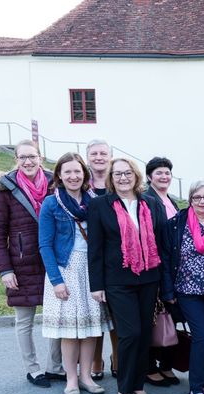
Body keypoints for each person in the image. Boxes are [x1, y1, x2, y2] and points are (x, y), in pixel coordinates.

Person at [0, 139, 63, 388]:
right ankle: (33, 369)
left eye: (32, 156)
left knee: (56, 317)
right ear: (16, 160)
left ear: (41, 158)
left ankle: (56, 366)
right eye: (22, 157)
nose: (28, 162)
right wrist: (4, 269)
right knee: (24, 321)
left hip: (53, 261)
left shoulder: (55, 183)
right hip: (21, 263)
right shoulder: (5, 189)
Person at [88, 158, 164, 394]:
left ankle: (139, 384)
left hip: (148, 278)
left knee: (144, 334)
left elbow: (160, 242)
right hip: (117, 280)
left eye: (127, 172)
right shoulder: (100, 205)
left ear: (136, 175)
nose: (123, 178)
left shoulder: (150, 203)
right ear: (111, 177)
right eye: (117, 173)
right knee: (129, 333)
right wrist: (96, 285)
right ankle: (125, 386)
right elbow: (95, 248)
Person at [38, 153, 111, 394]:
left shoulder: (95, 202)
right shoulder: (51, 203)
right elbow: (45, 245)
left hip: (91, 270)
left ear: (85, 174)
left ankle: (86, 376)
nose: (73, 176)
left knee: (90, 328)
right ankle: (71, 379)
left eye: (77, 171)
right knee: (70, 330)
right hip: (64, 268)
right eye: (67, 172)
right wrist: (56, 281)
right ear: (59, 175)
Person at [160, 180, 204, 394]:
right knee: (202, 336)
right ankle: (195, 387)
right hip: (187, 290)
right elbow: (167, 259)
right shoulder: (177, 224)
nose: (203, 201)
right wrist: (167, 291)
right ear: (190, 200)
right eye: (197, 197)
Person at [143, 156, 182, 387]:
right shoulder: (148, 200)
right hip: (156, 266)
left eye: (167, 172)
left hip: (171, 267)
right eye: (159, 173)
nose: (164, 176)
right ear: (149, 177)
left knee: (169, 316)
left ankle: (166, 364)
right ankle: (149, 366)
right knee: (152, 317)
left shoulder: (171, 201)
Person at [86, 138, 117, 381]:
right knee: (95, 312)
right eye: (94, 153)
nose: (99, 157)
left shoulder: (117, 183)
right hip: (89, 254)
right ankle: (97, 359)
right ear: (87, 157)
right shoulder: (80, 184)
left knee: (117, 313)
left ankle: (118, 356)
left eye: (103, 153)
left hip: (116, 256)